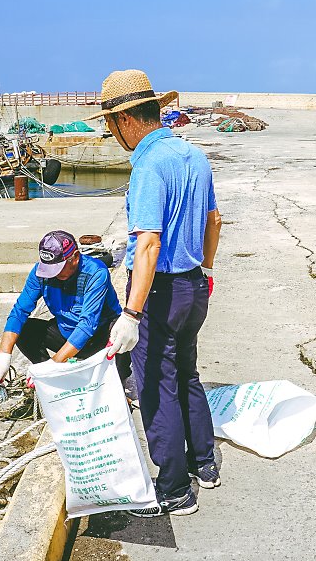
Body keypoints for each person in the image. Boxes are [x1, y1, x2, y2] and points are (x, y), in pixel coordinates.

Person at [90, 69, 223, 518]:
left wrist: (130, 312)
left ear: (125, 120)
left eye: (111, 125)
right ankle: (204, 464)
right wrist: (205, 269)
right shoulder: (193, 154)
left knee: (154, 385)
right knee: (187, 372)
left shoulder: (148, 165)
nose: (112, 134)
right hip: (193, 285)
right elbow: (215, 221)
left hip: (160, 292)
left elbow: (147, 243)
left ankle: (173, 489)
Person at [0, 230, 121, 386]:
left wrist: (55, 363)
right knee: (25, 329)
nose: (54, 275)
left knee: (121, 333)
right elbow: (19, 311)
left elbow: (87, 325)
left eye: (59, 268)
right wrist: (3, 354)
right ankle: (52, 378)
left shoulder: (96, 273)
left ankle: (117, 383)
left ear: (75, 258)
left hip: (99, 337)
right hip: (66, 333)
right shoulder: (40, 273)